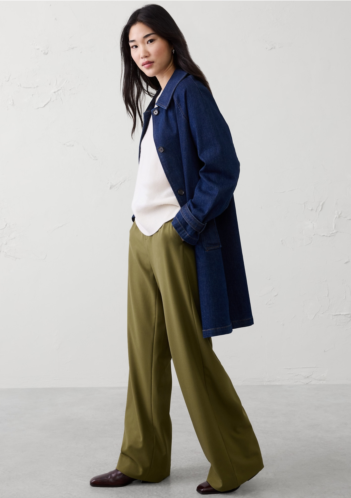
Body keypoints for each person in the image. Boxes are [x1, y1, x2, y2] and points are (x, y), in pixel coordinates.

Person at [90, 4, 264, 495]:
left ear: (170, 40)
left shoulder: (189, 93)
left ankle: (234, 461)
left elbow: (223, 168)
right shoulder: (158, 101)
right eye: (133, 45)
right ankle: (142, 459)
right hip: (141, 238)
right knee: (144, 355)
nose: (141, 52)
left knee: (190, 354)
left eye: (149, 40)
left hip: (173, 238)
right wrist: (144, 227)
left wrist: (183, 226)